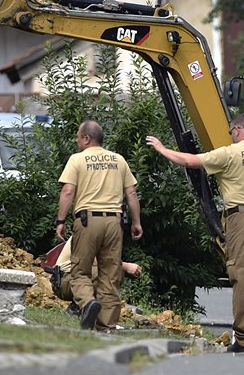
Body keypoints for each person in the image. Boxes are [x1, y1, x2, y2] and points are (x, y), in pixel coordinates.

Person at [146, 113, 244, 353]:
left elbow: (189, 161)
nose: (231, 135)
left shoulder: (229, 153)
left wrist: (162, 149)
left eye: (231, 132)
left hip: (242, 219)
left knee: (243, 278)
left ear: (238, 129)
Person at [55, 120, 143, 330]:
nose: (76, 140)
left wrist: (60, 220)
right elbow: (131, 193)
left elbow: (68, 191)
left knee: (80, 271)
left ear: (87, 138)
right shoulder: (119, 160)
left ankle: (87, 303)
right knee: (110, 276)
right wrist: (136, 222)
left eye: (78, 136)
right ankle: (107, 327)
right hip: (114, 222)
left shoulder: (77, 159)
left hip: (88, 221)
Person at [47, 237, 143, 315]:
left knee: (115, 271)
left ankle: (92, 310)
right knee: (111, 272)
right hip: (64, 282)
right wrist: (126, 266)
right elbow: (94, 261)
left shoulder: (100, 234)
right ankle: (76, 308)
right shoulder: (87, 232)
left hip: (73, 279)